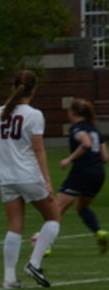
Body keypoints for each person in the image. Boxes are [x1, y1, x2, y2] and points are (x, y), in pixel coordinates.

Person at [0, 69, 60, 289]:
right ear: (34, 90)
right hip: (28, 175)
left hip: (7, 177)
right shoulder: (34, 114)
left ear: (14, 87)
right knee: (53, 217)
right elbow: (38, 149)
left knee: (14, 227)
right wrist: (47, 181)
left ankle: (9, 278)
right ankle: (34, 264)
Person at [56, 98, 108, 251]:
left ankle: (44, 245)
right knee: (81, 207)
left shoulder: (77, 127)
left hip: (82, 172)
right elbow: (105, 158)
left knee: (56, 209)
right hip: (98, 173)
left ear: (72, 112)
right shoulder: (94, 129)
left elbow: (86, 143)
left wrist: (69, 159)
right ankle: (99, 232)